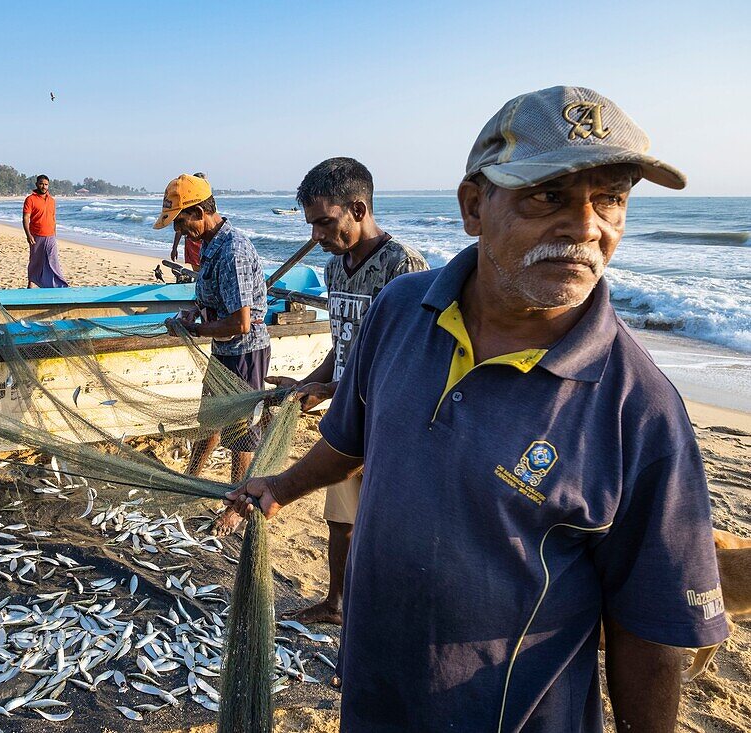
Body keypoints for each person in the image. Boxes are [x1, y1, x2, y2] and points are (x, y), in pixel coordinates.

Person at [227, 86, 729, 731]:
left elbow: (650, 629)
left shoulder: (641, 410)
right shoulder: (401, 311)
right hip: (372, 692)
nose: (585, 227)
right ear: (473, 205)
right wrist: (282, 485)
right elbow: (355, 439)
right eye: (547, 195)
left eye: (611, 198)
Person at [241, 158, 428, 628]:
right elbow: (343, 345)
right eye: (311, 224)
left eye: (325, 222)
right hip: (346, 418)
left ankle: (382, 619)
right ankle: (336, 602)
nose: (317, 235)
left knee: (382, 530)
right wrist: (313, 385)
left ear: (358, 208)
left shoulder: (403, 267)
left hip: (388, 424)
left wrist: (330, 388)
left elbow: (403, 363)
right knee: (339, 520)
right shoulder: (336, 268)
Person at [158, 174, 269, 483]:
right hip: (223, 349)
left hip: (245, 352)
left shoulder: (232, 251)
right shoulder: (209, 244)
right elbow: (215, 297)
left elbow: (240, 323)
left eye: (180, 223)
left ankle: (238, 495)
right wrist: (193, 312)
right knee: (210, 421)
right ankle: (191, 479)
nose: (179, 231)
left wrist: (194, 330)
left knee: (240, 430)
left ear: (199, 212)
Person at [22, 174, 68, 287]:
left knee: (53, 260)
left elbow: (53, 218)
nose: (44, 186)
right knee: (35, 261)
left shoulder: (52, 200)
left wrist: (54, 234)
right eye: (41, 184)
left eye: (46, 184)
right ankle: (31, 283)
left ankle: (60, 284)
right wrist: (28, 235)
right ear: (37, 184)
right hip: (36, 235)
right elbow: (26, 217)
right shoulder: (30, 199)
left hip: (50, 236)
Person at [171, 172, 206, 270]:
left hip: (204, 241)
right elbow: (180, 228)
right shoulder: (188, 203)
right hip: (193, 241)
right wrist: (174, 248)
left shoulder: (207, 201)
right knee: (197, 271)